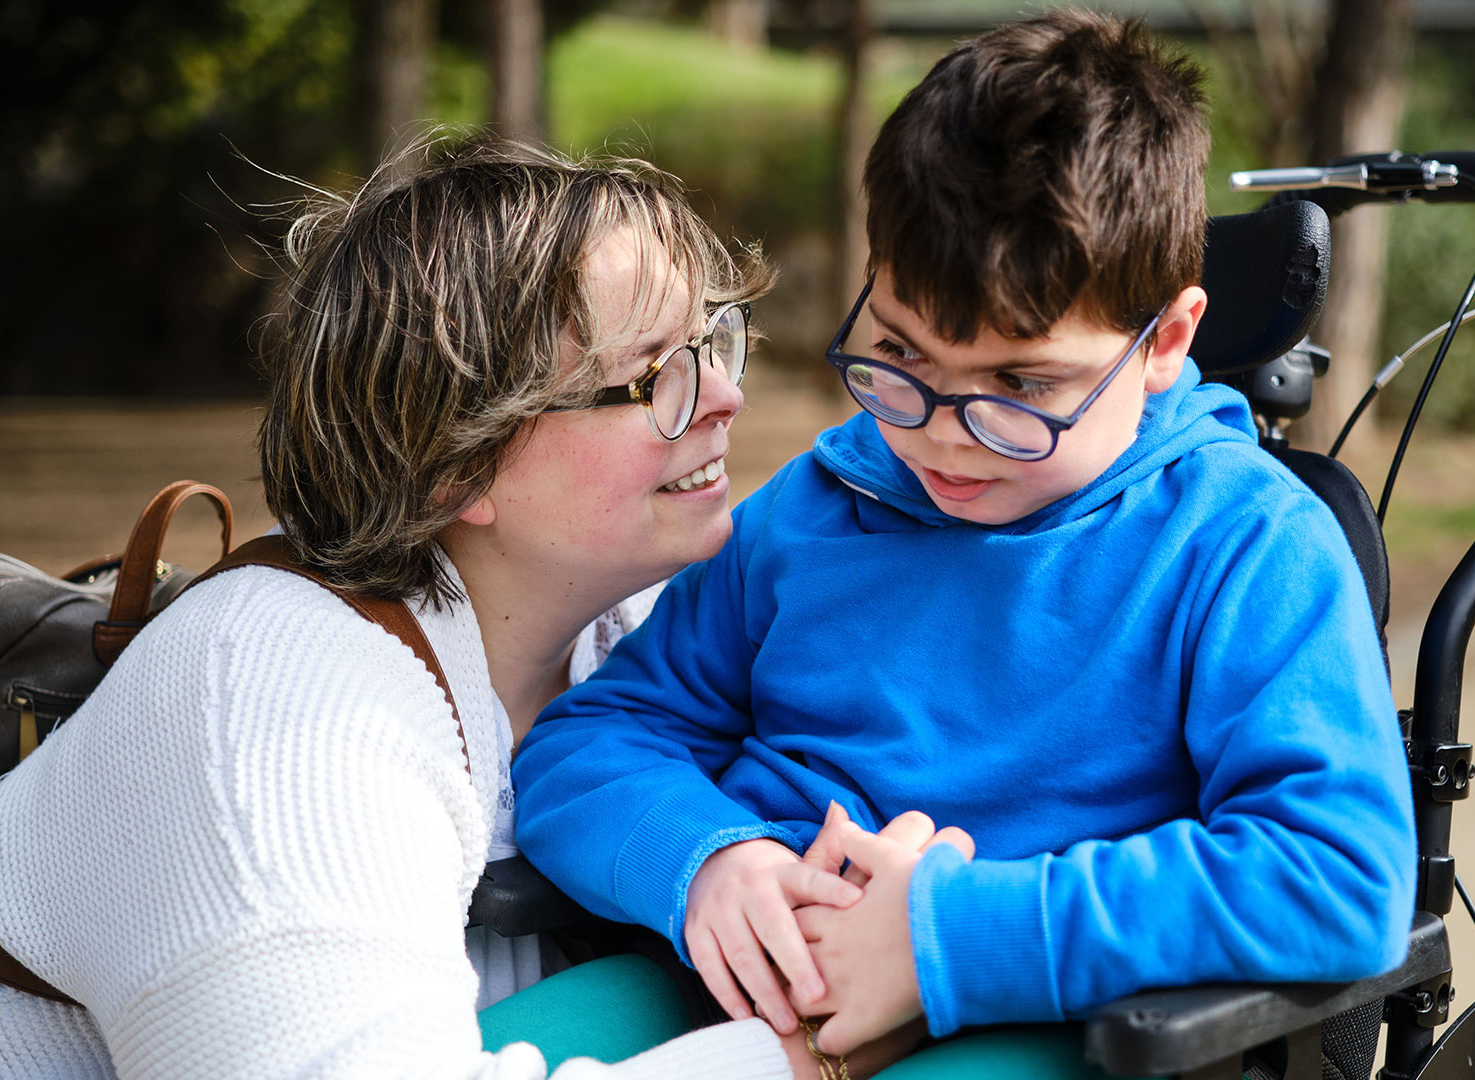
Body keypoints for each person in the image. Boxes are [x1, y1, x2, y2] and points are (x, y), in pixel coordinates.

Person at [512, 9, 1418, 1076]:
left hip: (1034, 1013)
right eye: (901, 352)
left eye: (1021, 385)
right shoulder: (815, 506)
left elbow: (1335, 875)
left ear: (1167, 341)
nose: (942, 431)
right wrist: (713, 859)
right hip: (739, 971)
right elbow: (591, 740)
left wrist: (949, 934)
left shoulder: (1247, 546)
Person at [0, 137, 806, 1079]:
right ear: (458, 463)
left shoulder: (649, 633)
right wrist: (805, 1052)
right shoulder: (279, 697)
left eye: (714, 340)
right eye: (657, 375)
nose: (728, 397)